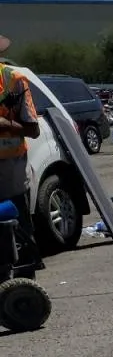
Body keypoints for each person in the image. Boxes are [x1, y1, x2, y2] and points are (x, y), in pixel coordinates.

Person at [0, 36, 43, 260]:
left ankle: (27, 284)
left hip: (12, 172)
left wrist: (6, 124)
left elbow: (33, 129)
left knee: (19, 228)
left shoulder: (13, 79)